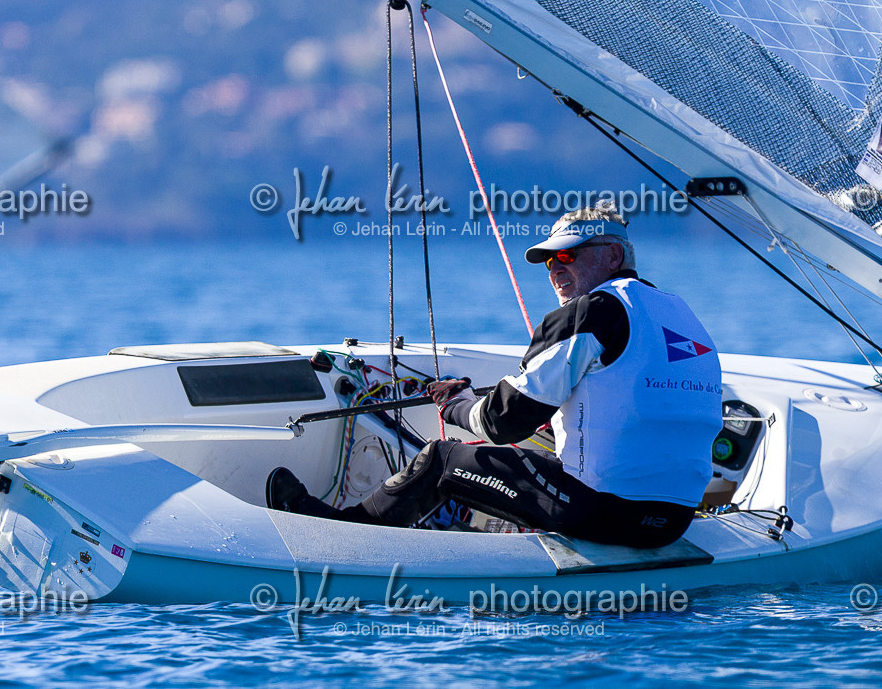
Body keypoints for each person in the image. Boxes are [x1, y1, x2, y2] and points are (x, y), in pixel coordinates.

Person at [265, 204, 723, 548]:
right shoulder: (681, 315)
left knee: (442, 460)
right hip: (672, 521)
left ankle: (340, 538)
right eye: (549, 262)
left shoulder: (588, 314)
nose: (557, 271)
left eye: (569, 257)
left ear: (613, 255)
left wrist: (455, 405)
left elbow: (503, 424)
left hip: (601, 514)